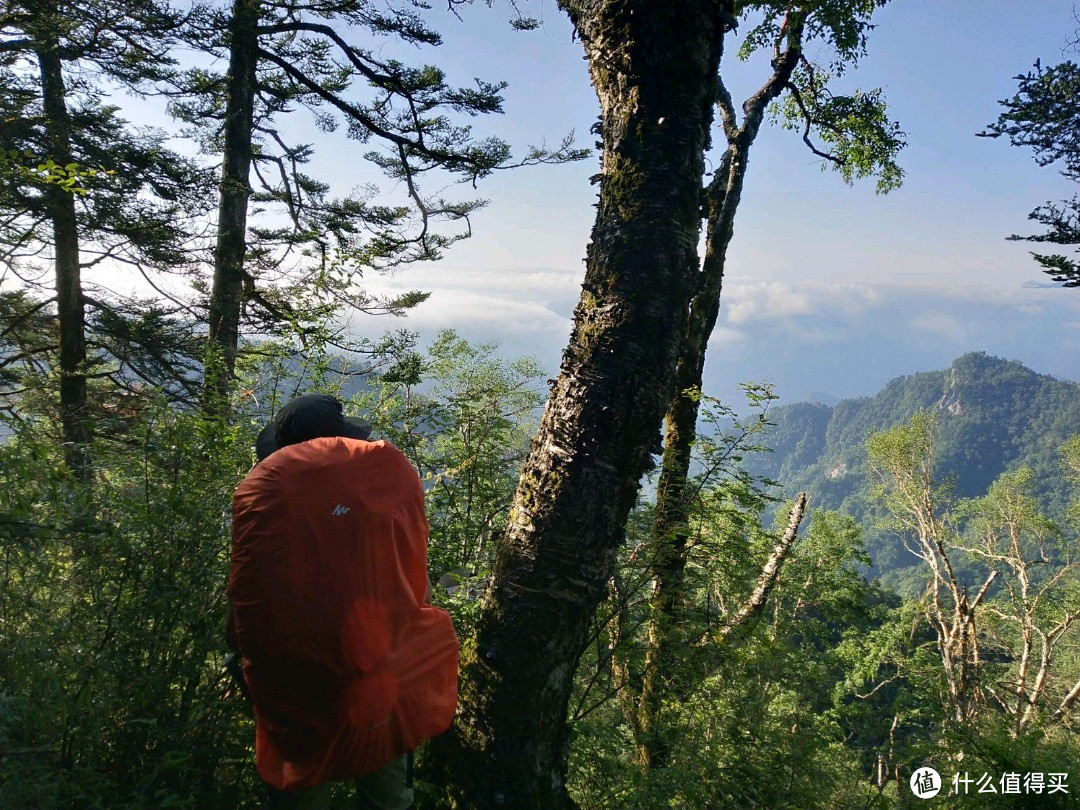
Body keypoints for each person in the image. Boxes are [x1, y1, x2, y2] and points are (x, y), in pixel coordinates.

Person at [226, 393, 459, 810]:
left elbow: (248, 600)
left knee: (301, 789)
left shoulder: (266, 500)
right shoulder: (383, 495)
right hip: (380, 674)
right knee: (387, 795)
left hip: (297, 684)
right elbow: (416, 585)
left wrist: (246, 662)